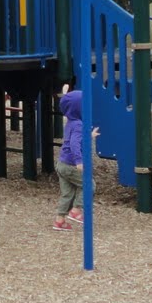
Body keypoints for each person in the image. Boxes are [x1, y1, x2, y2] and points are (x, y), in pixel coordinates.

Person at [52, 88, 85, 232]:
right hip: (71, 164)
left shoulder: (71, 121)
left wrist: (89, 135)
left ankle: (60, 220)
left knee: (68, 194)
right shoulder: (79, 124)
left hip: (61, 163)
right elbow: (74, 143)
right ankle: (76, 210)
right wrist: (79, 161)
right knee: (89, 184)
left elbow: (73, 138)